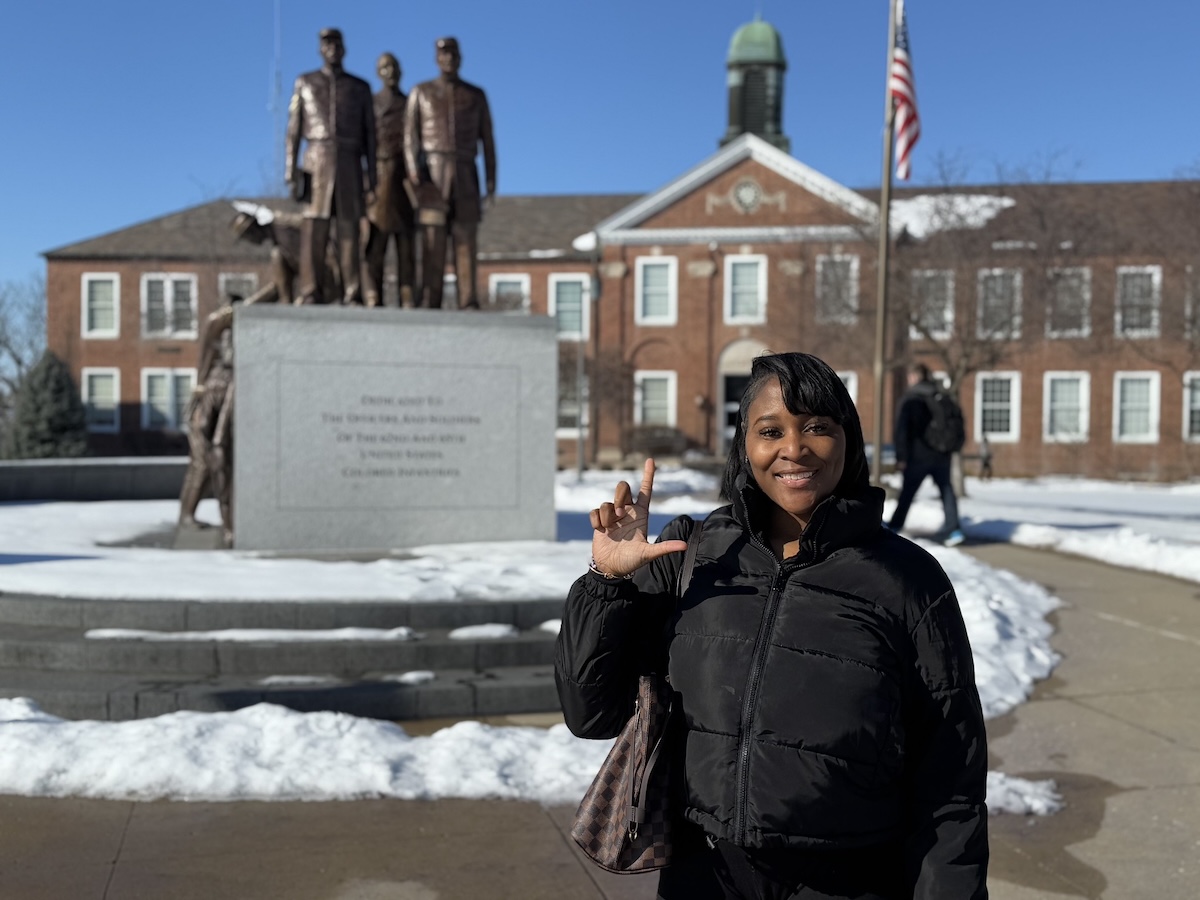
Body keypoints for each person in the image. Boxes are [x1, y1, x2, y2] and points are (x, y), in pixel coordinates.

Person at [556, 352, 988, 900]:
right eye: (771, 430)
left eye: (817, 427)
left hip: (849, 881)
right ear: (746, 446)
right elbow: (589, 713)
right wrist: (606, 582)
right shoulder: (693, 555)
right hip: (704, 876)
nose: (794, 448)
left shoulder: (907, 581)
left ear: (847, 439)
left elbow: (952, 783)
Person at [285, 27, 376, 305]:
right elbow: (293, 129)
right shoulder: (305, 82)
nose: (332, 49)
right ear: (319, 49)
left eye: (336, 44)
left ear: (344, 49)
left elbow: (370, 137)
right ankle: (311, 290)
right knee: (314, 231)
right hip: (316, 160)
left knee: (349, 231)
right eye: (326, 44)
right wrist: (290, 169)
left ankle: (352, 291)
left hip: (349, 161)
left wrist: (371, 175)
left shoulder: (360, 88)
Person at [404, 36, 496, 309]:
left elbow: (488, 141)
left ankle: (468, 300)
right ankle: (431, 299)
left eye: (453, 54)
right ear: (436, 58)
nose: (448, 58)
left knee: (466, 239)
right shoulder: (421, 92)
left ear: (460, 57)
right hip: (433, 173)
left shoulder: (475, 95)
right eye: (443, 54)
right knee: (433, 241)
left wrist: (491, 181)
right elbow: (410, 137)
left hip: (466, 172)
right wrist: (413, 172)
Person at [887, 363, 964, 546]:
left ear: (914, 377)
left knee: (907, 493)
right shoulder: (943, 396)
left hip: (918, 455)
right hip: (941, 455)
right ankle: (954, 529)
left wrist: (901, 457)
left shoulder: (911, 398)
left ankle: (894, 527)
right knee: (946, 491)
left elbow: (902, 431)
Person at [178, 306, 236, 547]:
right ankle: (187, 515)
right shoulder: (216, 380)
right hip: (204, 429)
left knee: (212, 468)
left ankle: (221, 523)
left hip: (214, 433)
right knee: (202, 467)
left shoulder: (229, 379)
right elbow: (205, 418)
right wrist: (212, 440)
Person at [363, 52, 415, 308]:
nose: (390, 72)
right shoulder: (370, 104)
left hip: (405, 180)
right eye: (384, 67)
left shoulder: (410, 103)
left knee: (406, 243)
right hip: (379, 178)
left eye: (394, 66)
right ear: (378, 73)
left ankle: (407, 296)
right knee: (376, 243)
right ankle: (374, 296)